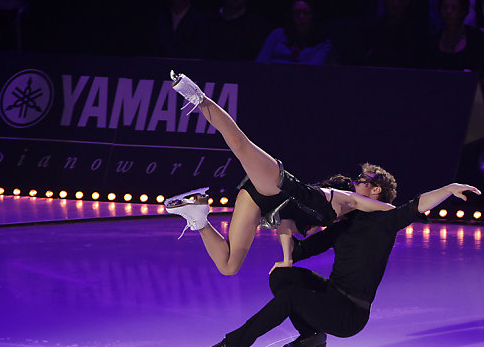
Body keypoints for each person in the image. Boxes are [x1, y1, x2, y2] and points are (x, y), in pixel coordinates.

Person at [190, 179, 481, 347]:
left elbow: (417, 204)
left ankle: (232, 345)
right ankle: (312, 334)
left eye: (362, 182)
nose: (355, 184)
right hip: (332, 297)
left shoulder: (384, 222)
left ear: (376, 191)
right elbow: (303, 250)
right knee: (282, 277)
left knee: (291, 296)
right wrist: (286, 221)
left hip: (349, 314)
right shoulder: (344, 225)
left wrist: (448, 188)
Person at [164, 72, 395, 277]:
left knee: (228, 266)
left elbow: (286, 224)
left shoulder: (330, 220)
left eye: (367, 180)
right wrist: (410, 212)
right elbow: (378, 207)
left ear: (377, 191)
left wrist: (287, 259)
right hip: (278, 185)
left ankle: (199, 217)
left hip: (261, 203)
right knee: (239, 143)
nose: (359, 180)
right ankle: (197, 96)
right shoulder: (345, 197)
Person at [256, 0, 333, 64]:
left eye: (305, 13)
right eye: (297, 13)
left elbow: (311, 70)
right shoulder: (276, 35)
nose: (301, 16)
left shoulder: (323, 43)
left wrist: (274, 61)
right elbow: (260, 63)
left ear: (312, 15)